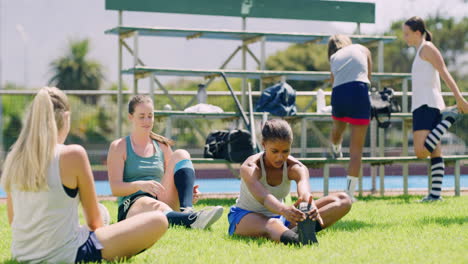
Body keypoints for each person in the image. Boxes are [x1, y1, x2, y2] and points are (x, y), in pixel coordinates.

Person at [1, 87, 168, 263]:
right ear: (66, 117)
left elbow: (14, 220)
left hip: (22, 255)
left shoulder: (14, 156)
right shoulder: (73, 155)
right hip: (68, 254)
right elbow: (95, 223)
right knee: (158, 220)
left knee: (101, 216)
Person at [227, 119, 352, 245]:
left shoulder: (296, 167)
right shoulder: (250, 167)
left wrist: (309, 206)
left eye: (285, 151)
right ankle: (298, 240)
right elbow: (264, 197)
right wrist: (284, 210)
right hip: (246, 217)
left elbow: (304, 193)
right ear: (263, 144)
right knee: (273, 223)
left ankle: (295, 232)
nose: (280, 157)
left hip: (282, 218)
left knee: (343, 200)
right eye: (274, 151)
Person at [107, 95, 223, 229]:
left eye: (150, 116)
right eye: (142, 116)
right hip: (134, 204)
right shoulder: (119, 146)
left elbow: (174, 178)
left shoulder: (162, 146)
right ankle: (191, 220)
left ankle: (187, 211)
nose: (147, 120)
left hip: (161, 198)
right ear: (130, 117)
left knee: (181, 154)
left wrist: (186, 191)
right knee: (153, 205)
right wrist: (139, 185)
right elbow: (115, 188)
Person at [402, 16, 468, 201]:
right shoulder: (419, 51)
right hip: (425, 104)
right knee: (435, 151)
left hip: (427, 104)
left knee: (421, 151)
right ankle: (434, 194)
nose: (405, 37)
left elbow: (444, 72)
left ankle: (449, 118)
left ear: (417, 32)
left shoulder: (427, 48)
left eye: (407, 34)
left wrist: (459, 98)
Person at [327, 34, 373, 201]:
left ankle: (335, 147)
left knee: (338, 129)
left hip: (339, 93)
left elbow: (333, 80)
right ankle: (349, 194)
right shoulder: (362, 49)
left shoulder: (333, 57)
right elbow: (369, 75)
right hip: (360, 90)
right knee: (356, 150)